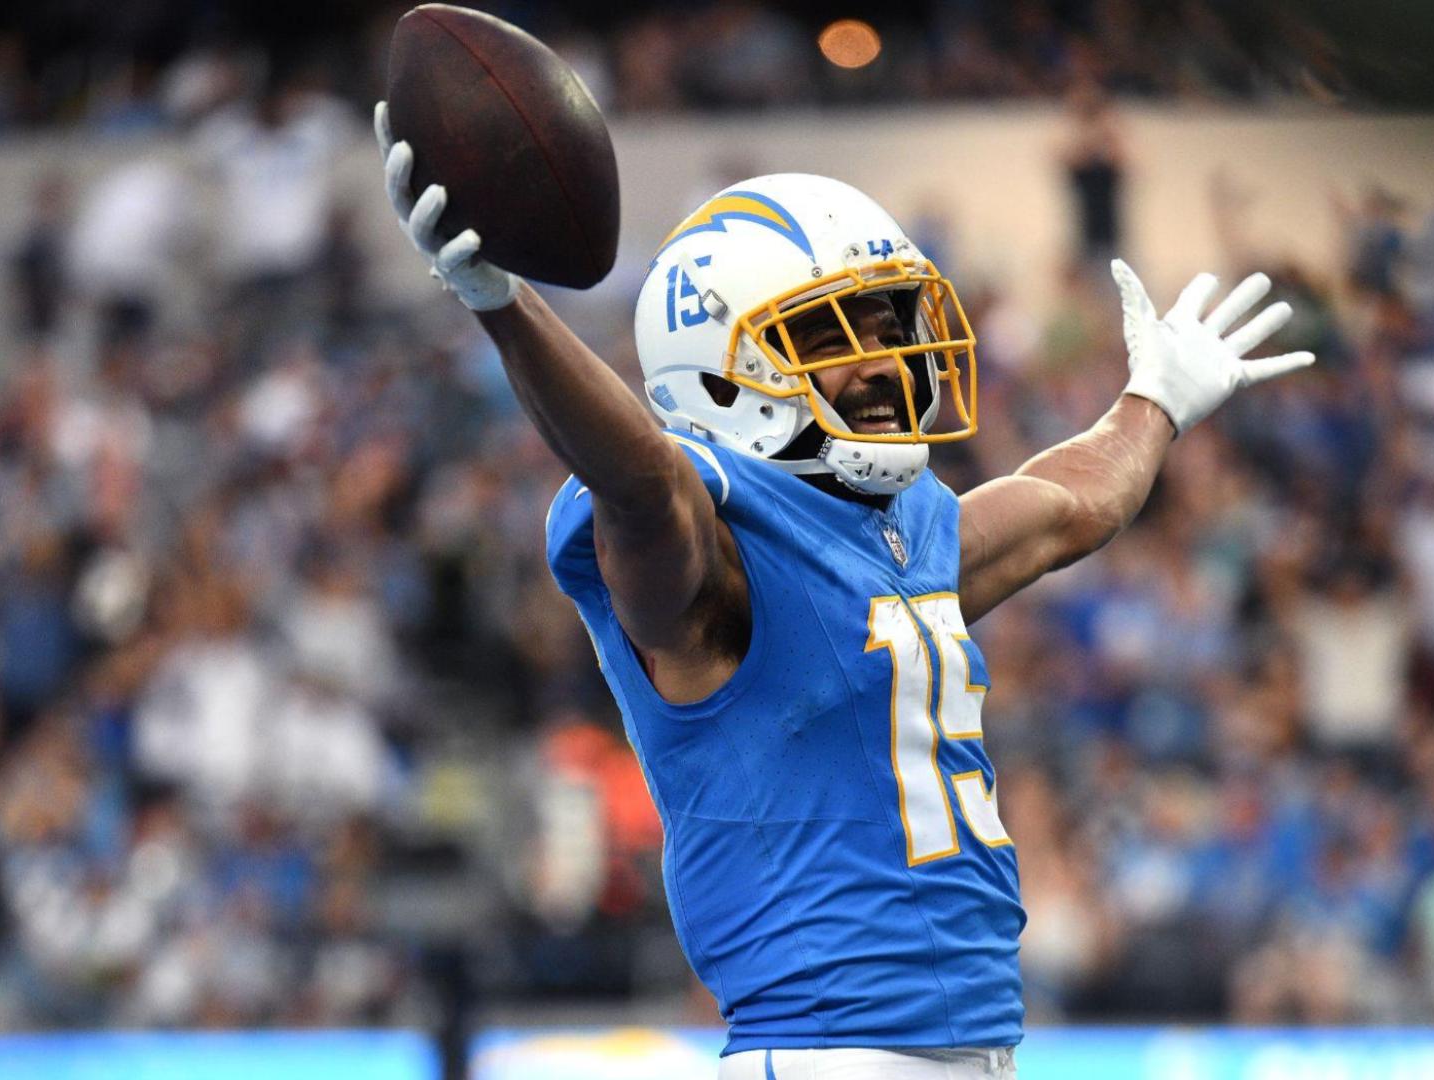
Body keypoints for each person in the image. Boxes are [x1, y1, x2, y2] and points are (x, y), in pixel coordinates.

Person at [373, 104, 1312, 1078]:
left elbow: (1070, 504)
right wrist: (502, 304)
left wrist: (1152, 399)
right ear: (722, 378)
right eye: (833, 333)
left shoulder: (904, 533)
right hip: (829, 1052)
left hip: (961, 1050)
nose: (885, 358)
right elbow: (645, 480)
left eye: (889, 323)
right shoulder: (705, 557)